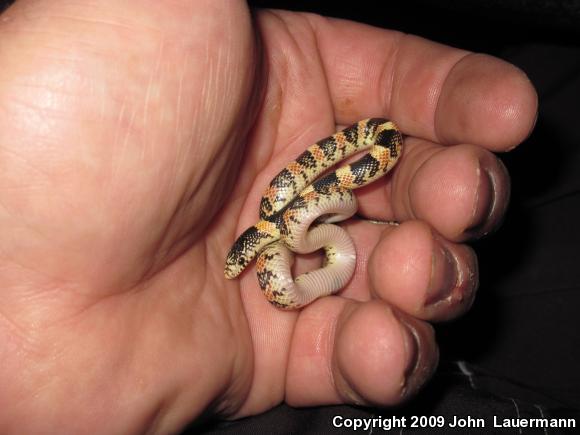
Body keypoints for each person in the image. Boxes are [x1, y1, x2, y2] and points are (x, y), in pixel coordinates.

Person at [0, 1, 537, 433]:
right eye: (243, 260)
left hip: (333, 182)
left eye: (243, 259)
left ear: (255, 247)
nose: (238, 267)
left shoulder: (290, 214)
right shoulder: (279, 228)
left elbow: (325, 196)